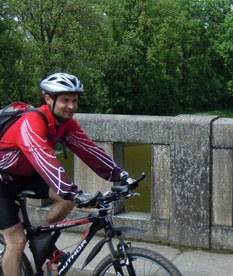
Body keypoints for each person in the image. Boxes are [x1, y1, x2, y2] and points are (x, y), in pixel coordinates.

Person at [0, 73, 133, 276]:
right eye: (65, 100)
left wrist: (121, 175)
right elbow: (42, 157)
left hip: (22, 175)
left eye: (74, 101)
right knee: (16, 241)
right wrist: (73, 192)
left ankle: (43, 242)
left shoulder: (65, 124)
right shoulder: (31, 121)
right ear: (48, 99)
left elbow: (88, 149)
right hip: (1, 181)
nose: (71, 106)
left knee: (66, 200)